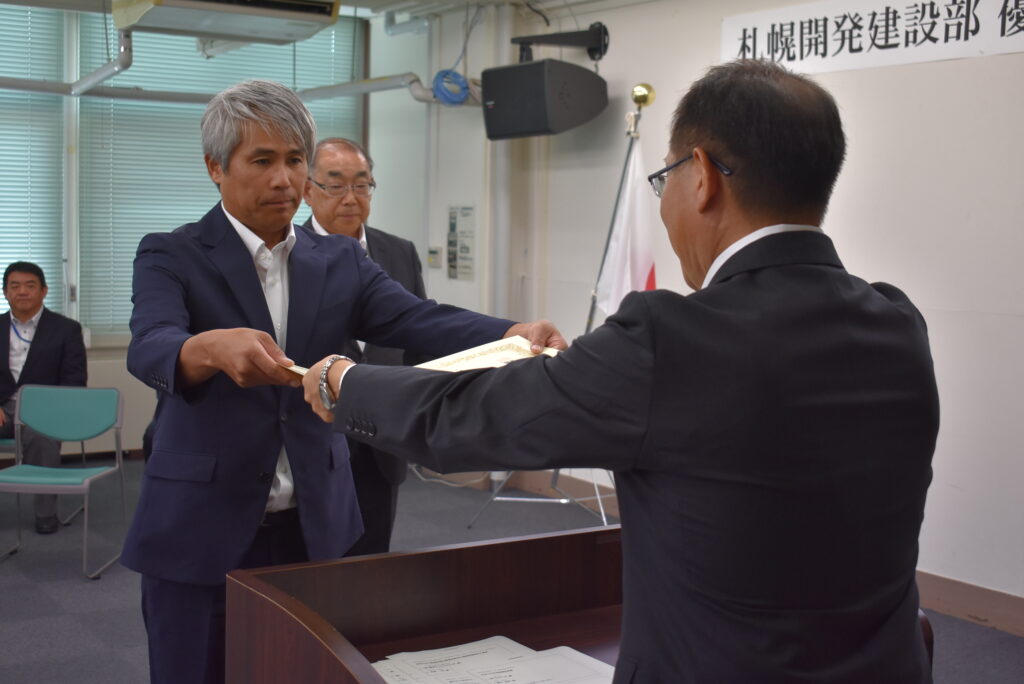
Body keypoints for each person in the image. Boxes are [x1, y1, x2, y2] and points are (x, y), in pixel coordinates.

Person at [303, 60, 939, 683]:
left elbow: (467, 418)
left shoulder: (671, 340)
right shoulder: (897, 323)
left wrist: (341, 379)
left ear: (702, 177)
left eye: (665, 180)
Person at [122, 79, 565, 684]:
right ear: (215, 168)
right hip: (200, 525)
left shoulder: (339, 259)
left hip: (314, 524)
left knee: (308, 672)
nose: (284, 179)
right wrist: (207, 348)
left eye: (294, 160)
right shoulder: (171, 254)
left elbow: (420, 319)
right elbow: (150, 344)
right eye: (262, 160)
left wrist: (513, 331)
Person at [301, 137, 426, 555]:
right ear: (308, 190)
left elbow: (419, 337)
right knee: (311, 567)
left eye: (361, 185)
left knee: (373, 563)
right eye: (336, 185)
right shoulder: (285, 252)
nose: (351, 198)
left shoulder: (399, 252)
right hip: (314, 438)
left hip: (383, 438)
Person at [0, 261, 87, 534]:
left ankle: (45, 513)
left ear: (44, 291)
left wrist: (46, 410)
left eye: (30, 285)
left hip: (45, 409)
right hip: (3, 409)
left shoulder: (66, 329)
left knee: (41, 433)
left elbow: (74, 381)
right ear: (5, 292)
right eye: (15, 286)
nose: (22, 291)